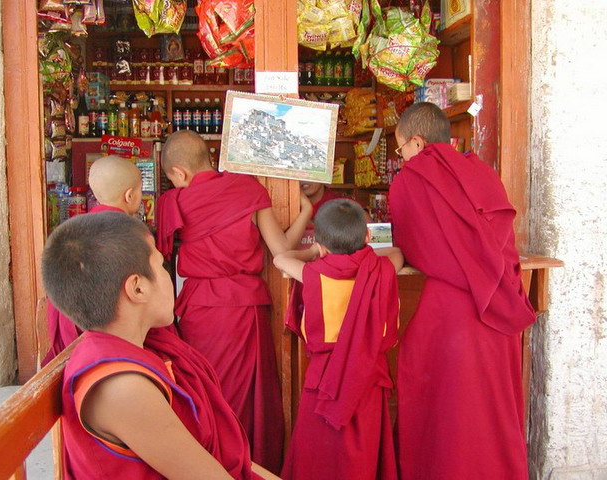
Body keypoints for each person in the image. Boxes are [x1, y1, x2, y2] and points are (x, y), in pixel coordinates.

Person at [42, 212, 280, 479]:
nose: (168, 276)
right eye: (161, 264)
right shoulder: (122, 388)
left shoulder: (144, 348)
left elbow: (230, 462)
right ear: (138, 288)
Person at [388, 102, 536, 479]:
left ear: (417, 143)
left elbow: (414, 247)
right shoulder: (483, 172)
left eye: (401, 149)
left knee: (447, 410)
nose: (402, 158)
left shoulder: (412, 178)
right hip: (501, 304)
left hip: (450, 314)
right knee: (494, 409)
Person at [156, 130, 313, 473]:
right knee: (247, 401)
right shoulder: (247, 189)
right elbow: (282, 253)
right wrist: (306, 211)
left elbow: (160, 260)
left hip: (200, 311)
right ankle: (250, 468)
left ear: (179, 172)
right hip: (244, 308)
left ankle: (210, 468)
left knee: (208, 394)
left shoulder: (174, 202)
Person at [274, 199, 404, 480]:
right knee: (364, 450)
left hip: (325, 381)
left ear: (321, 244)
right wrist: (366, 252)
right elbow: (397, 252)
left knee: (318, 451)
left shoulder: (313, 273)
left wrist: (313, 252)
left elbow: (279, 259)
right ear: (367, 236)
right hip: (368, 377)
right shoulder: (381, 270)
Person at [42, 155, 143, 365]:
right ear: (129, 195)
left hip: (77, 334)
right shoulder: (131, 235)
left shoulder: (73, 231)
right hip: (112, 336)